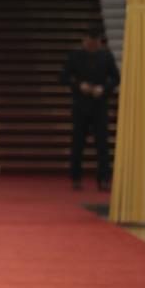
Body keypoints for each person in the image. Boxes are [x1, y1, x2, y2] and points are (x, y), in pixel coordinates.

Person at [60, 29, 119, 191]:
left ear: (100, 42)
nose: (92, 45)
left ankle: (104, 179)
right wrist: (79, 85)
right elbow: (63, 77)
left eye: (95, 43)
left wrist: (104, 88)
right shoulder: (75, 56)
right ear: (83, 41)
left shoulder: (106, 56)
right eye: (89, 42)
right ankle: (76, 177)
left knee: (102, 145)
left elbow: (116, 78)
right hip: (80, 105)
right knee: (78, 143)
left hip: (100, 105)